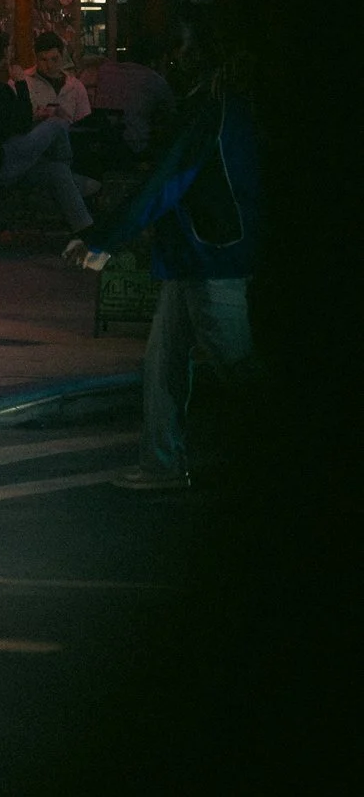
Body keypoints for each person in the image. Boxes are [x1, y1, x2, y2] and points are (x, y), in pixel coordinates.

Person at [65, 53, 260, 489]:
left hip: (209, 254)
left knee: (225, 365)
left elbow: (166, 182)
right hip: (206, 251)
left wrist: (103, 239)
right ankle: (161, 463)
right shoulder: (228, 109)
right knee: (165, 364)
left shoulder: (210, 112)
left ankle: (169, 463)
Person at [0, 27, 97, 234]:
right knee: (56, 122)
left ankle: (87, 233)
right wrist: (21, 84)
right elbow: (19, 126)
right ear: (3, 55)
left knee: (56, 172)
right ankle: (73, 173)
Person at [90, 41, 178, 159]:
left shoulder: (106, 71)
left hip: (101, 144)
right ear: (155, 60)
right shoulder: (155, 80)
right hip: (136, 146)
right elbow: (171, 115)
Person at [22, 31, 92, 126]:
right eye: (43, 60)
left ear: (62, 56)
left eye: (54, 59)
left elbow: (84, 125)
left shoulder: (76, 87)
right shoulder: (22, 83)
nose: (49, 65)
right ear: (36, 58)